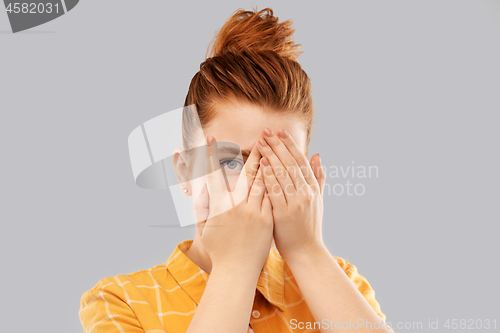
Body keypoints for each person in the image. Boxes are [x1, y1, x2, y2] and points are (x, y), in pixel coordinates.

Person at [79, 7, 393, 333]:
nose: (253, 182)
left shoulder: (341, 284)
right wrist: (235, 267)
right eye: (231, 161)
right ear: (185, 171)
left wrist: (306, 250)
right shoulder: (121, 301)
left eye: (278, 162)